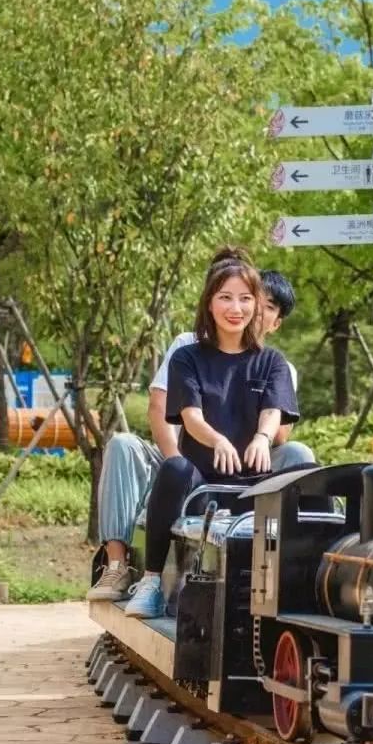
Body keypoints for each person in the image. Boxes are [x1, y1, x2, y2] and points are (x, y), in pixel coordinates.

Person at [86, 255, 305, 602]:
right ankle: (128, 570)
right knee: (157, 460)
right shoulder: (187, 351)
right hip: (192, 463)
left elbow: (277, 426)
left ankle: (311, 569)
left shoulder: (276, 363)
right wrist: (183, 468)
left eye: (249, 300)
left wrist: (262, 437)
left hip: (250, 471)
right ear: (210, 303)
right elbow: (174, 412)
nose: (240, 308)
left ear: (271, 318)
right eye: (227, 297)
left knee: (303, 459)